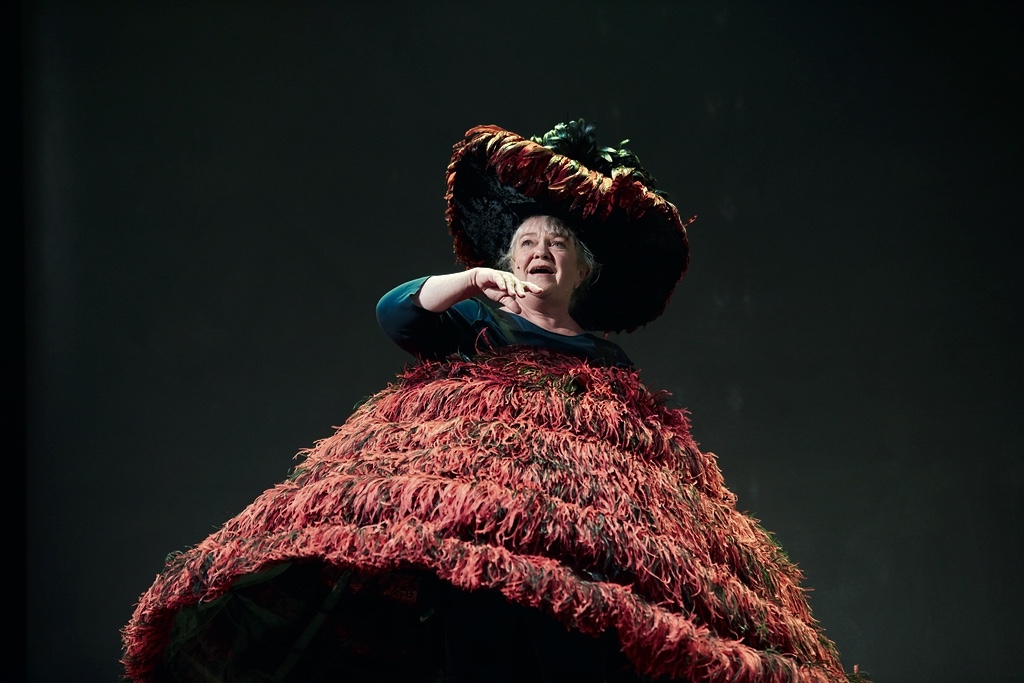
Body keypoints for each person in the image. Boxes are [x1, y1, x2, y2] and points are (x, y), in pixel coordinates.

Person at [121, 120, 867, 683]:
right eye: (526, 243)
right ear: (508, 259)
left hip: (575, 543)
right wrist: (472, 283)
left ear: (583, 269)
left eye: (558, 243)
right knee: (477, 645)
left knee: (571, 650)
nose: (540, 251)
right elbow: (396, 314)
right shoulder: (480, 324)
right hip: (480, 536)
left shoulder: (607, 362)